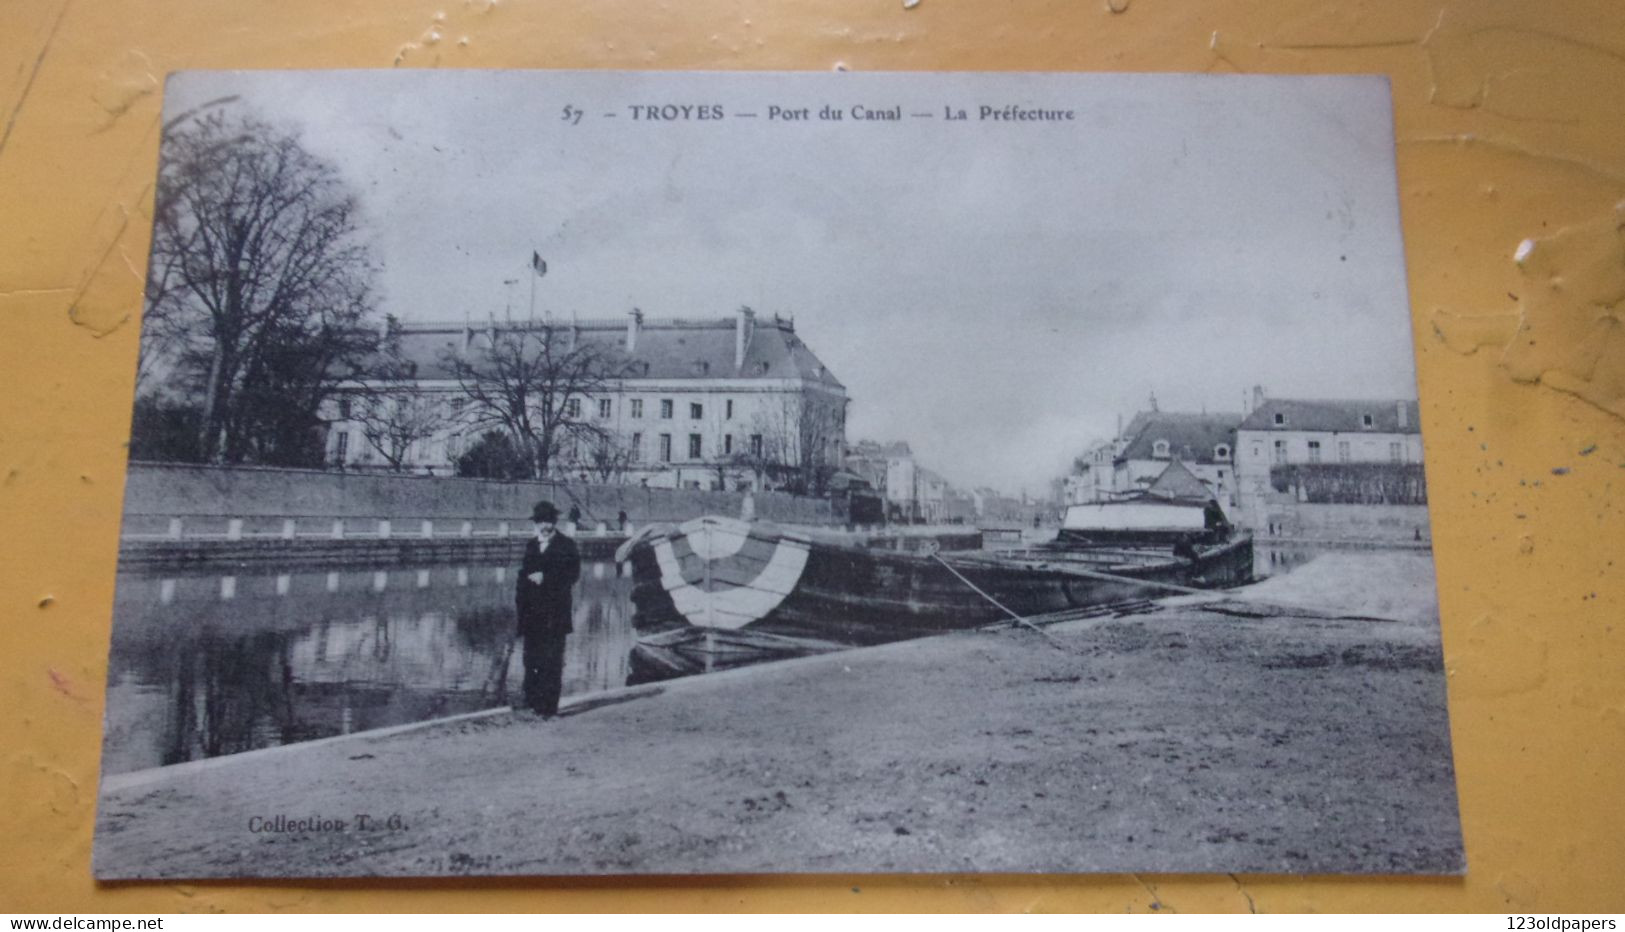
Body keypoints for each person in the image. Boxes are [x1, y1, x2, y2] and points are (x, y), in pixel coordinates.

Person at [514, 500, 581, 718]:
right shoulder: (532, 545)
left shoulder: (567, 545)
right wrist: (521, 610)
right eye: (541, 522)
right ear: (536, 524)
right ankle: (532, 703)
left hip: (555, 615)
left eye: (549, 522)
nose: (545, 526)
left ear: (554, 523)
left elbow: (572, 575)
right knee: (531, 660)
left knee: (551, 661)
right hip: (532, 616)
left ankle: (548, 708)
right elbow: (523, 576)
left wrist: (546, 577)